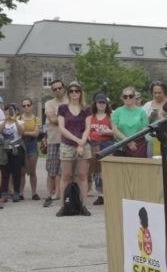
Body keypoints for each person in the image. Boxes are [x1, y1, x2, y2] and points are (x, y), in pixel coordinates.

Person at [57, 81, 91, 216]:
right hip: (67, 144)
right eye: (71, 91)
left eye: (77, 91)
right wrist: (77, 141)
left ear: (81, 93)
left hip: (84, 144)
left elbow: (88, 127)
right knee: (66, 176)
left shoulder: (86, 108)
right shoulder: (63, 108)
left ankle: (83, 205)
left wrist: (82, 143)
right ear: (68, 93)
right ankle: (63, 206)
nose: (74, 93)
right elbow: (61, 127)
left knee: (82, 176)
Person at [42, 80, 68, 208]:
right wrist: (68, 118)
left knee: (64, 169)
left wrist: (61, 118)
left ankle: (60, 193)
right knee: (51, 168)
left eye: (59, 88)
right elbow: (52, 119)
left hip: (68, 139)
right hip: (53, 139)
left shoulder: (71, 101)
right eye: (54, 89)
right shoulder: (49, 103)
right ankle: (49, 193)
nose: (57, 90)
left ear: (64, 88)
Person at [88, 93, 115, 205]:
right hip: (94, 144)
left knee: (106, 169)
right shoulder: (91, 116)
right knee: (97, 170)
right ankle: (100, 194)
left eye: (103, 102)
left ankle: (109, 192)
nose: (101, 104)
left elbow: (115, 132)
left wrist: (105, 131)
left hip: (107, 143)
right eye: (99, 102)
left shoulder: (111, 116)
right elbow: (86, 130)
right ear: (95, 103)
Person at [0, 103, 25, 203]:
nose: (9, 112)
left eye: (11, 110)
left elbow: (22, 132)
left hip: (16, 149)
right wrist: (6, 119)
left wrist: (15, 120)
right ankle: (4, 192)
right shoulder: (0, 122)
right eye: (7, 110)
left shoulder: (20, 122)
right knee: (4, 172)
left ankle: (16, 192)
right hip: (4, 150)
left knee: (16, 172)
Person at [112, 87, 149, 158]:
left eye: (130, 96)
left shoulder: (142, 112)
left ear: (134, 97)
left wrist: (132, 142)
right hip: (120, 147)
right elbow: (115, 129)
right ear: (122, 98)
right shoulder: (117, 111)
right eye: (125, 96)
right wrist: (128, 141)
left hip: (137, 147)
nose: (128, 98)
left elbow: (145, 129)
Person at [18, 98, 41, 201]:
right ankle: (21, 193)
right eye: (24, 106)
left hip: (32, 144)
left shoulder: (36, 119)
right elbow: (19, 133)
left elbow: (36, 134)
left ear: (32, 106)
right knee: (22, 171)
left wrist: (24, 132)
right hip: (21, 144)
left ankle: (34, 193)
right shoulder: (18, 118)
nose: (26, 107)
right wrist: (29, 132)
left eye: (28, 105)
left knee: (32, 171)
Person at [142, 81, 167, 157]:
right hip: (151, 140)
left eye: (159, 93)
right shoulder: (148, 105)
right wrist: (151, 117)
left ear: (164, 92)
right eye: (155, 93)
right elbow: (142, 124)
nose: (157, 95)